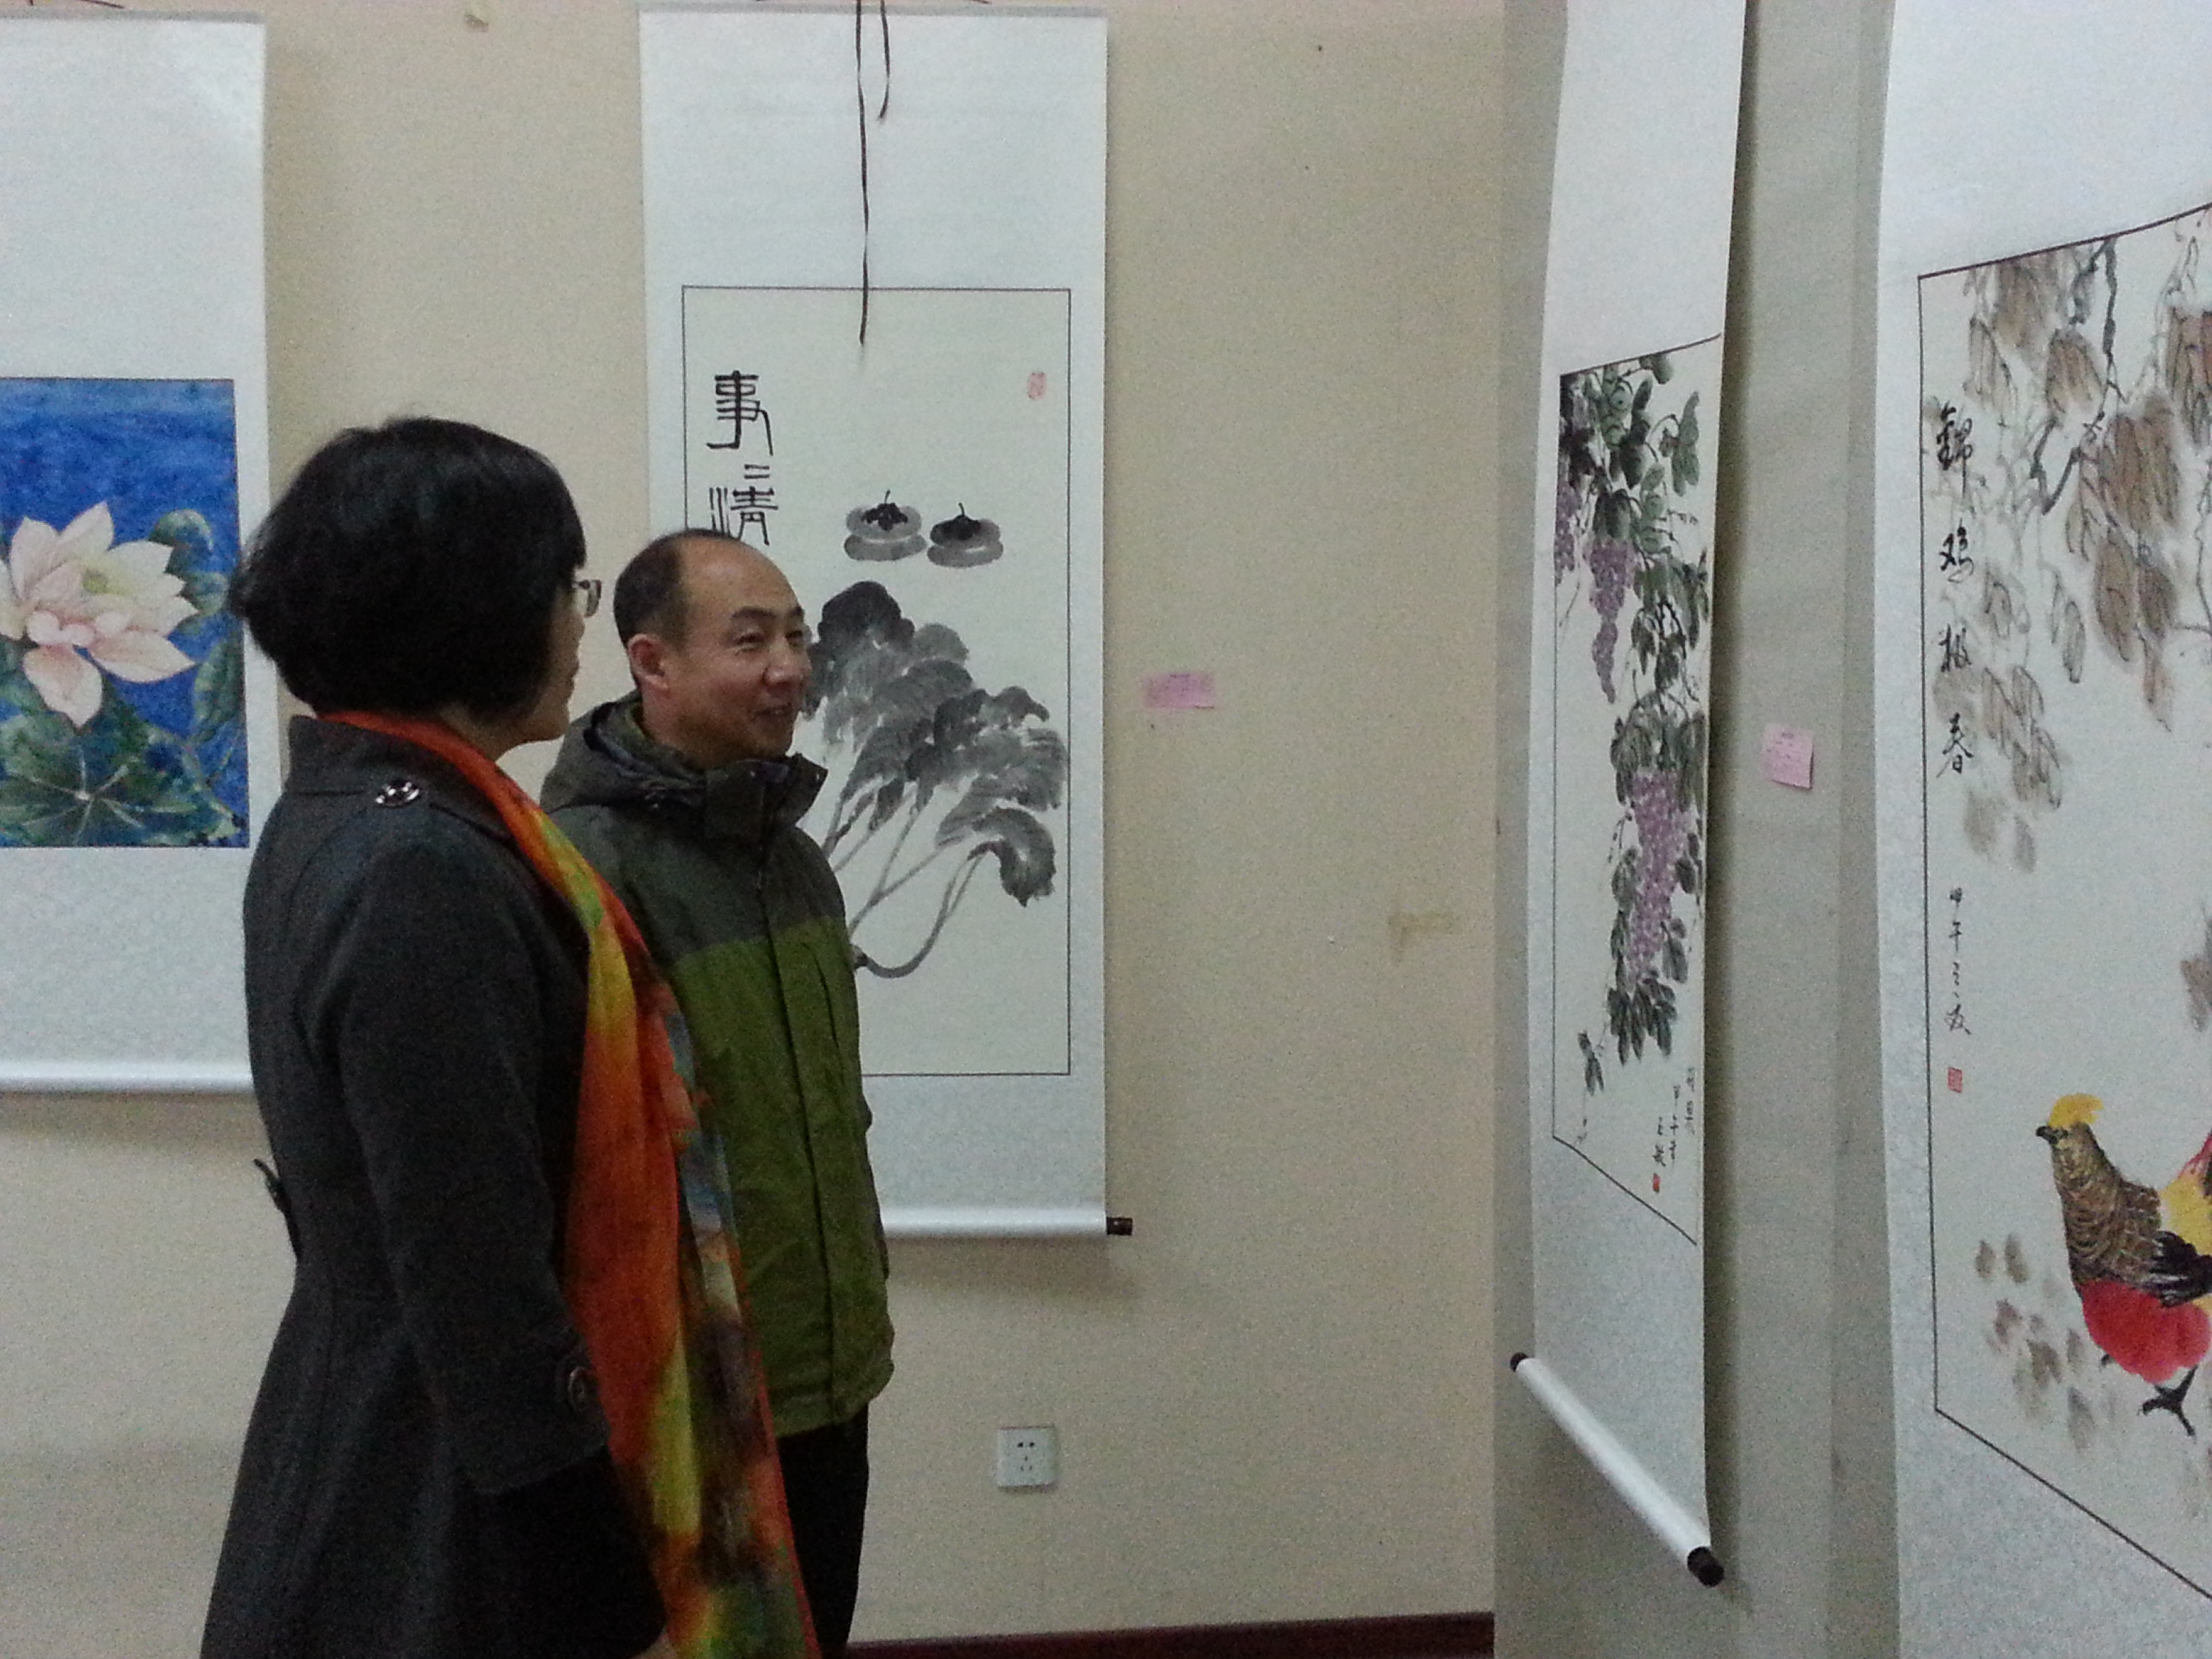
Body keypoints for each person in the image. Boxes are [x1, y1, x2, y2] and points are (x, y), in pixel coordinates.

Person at [203, 423, 810, 1659]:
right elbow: (473, 1266)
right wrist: (597, 1580)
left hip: (405, 1425)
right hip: (445, 1492)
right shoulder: (420, 863)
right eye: (565, 590)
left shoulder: (357, 810)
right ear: (475, 613)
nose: (578, 628)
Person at [541, 530, 893, 1658]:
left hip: (828, 1375)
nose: (789, 669)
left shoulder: (794, 859)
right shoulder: (583, 873)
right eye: (750, 642)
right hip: (692, 1406)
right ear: (653, 662)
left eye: (796, 636)